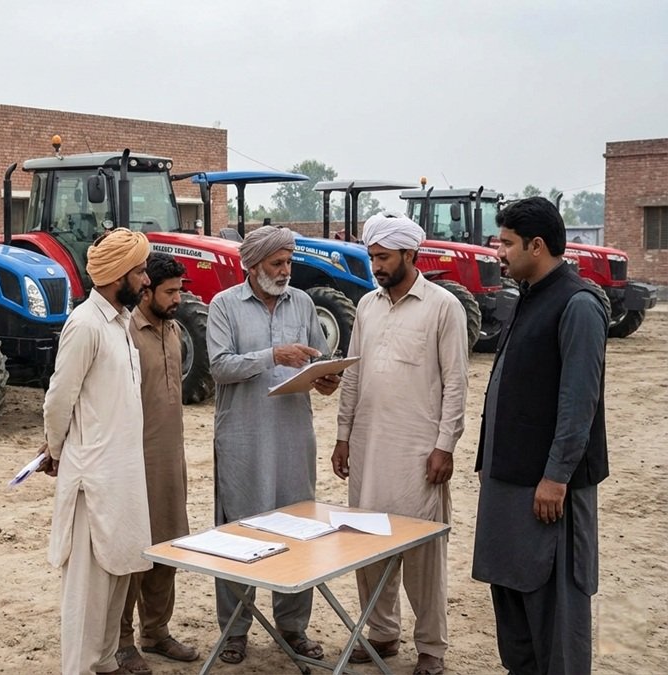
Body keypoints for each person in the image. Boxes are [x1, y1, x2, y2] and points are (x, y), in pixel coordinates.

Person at [472, 197, 608, 674]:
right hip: (510, 489)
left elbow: (578, 405)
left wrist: (555, 478)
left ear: (536, 245)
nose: (498, 252)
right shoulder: (529, 295)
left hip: (550, 494)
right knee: (515, 608)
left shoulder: (578, 304)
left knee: (556, 613)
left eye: (506, 243)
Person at [331, 212, 469, 675]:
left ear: (411, 254)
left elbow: (456, 383)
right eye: (372, 257)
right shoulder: (367, 306)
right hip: (368, 449)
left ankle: (432, 648)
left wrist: (445, 445)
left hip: (418, 453)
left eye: (384, 257)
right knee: (368, 547)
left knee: (422, 552)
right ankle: (382, 635)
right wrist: (343, 436)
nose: (377, 265)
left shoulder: (443, 305)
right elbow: (352, 377)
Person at [206, 225, 341, 665]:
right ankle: (235, 631)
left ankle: (292, 628)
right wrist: (274, 356)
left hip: (292, 436)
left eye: (288, 263)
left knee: (298, 528)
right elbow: (221, 367)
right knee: (238, 531)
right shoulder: (223, 305)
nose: (285, 271)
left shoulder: (302, 303)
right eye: (276, 264)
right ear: (252, 264)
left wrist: (326, 377)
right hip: (243, 437)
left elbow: (318, 362)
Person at [40, 227, 154, 675]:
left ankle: (105, 665)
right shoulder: (85, 325)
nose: (146, 280)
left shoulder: (121, 324)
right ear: (118, 275)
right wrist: (54, 449)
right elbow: (58, 398)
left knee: (119, 579)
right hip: (93, 482)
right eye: (141, 271)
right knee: (87, 596)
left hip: (124, 478)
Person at [116, 253, 199, 675]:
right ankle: (122, 642)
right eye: (171, 291)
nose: (178, 298)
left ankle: (157, 631)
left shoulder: (175, 330)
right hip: (136, 463)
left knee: (168, 547)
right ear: (145, 290)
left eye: (181, 290)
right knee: (134, 555)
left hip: (171, 460)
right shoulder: (126, 334)